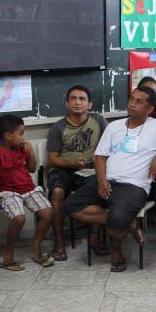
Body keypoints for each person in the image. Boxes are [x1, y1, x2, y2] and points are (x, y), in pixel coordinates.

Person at [64, 86, 156, 272]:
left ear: (150, 109)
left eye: (139, 102)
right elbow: (100, 157)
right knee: (71, 205)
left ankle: (116, 249)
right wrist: (102, 181)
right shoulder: (114, 127)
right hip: (107, 180)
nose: (132, 104)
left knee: (117, 219)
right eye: (131, 99)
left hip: (133, 186)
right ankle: (129, 223)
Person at [0, 114, 55, 270]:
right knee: (19, 218)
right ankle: (8, 256)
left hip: (28, 188)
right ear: (8, 135)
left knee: (48, 213)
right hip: (8, 191)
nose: (23, 138)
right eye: (20, 134)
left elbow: (32, 168)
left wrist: (31, 152)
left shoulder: (22, 149)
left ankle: (35, 245)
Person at [46, 85, 108, 261]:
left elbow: (113, 142)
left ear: (90, 104)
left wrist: (101, 160)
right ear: (67, 103)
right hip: (63, 169)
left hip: (91, 169)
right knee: (57, 194)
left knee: (100, 189)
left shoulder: (99, 120)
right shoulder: (58, 127)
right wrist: (70, 162)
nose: (77, 102)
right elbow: (52, 158)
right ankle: (58, 242)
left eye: (82, 99)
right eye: (73, 98)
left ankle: (95, 238)